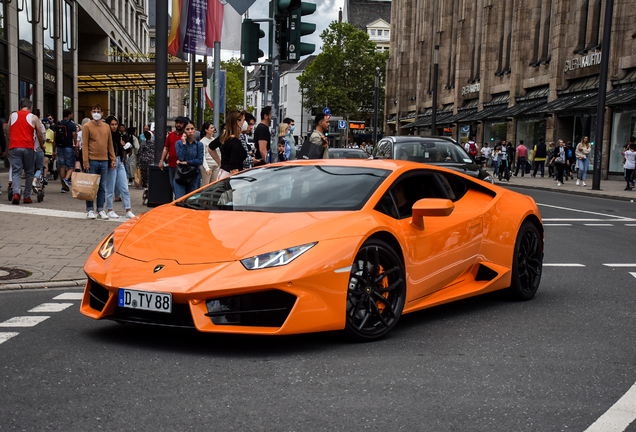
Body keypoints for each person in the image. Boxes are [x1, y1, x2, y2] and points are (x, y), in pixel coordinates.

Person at [7, 98, 45, 204]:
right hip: (28, 147)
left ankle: (16, 193)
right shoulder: (33, 117)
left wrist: (9, 142)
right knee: (29, 172)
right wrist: (41, 145)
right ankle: (27, 196)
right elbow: (39, 133)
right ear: (31, 107)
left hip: (14, 146)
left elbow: (7, 129)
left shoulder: (12, 115)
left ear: (20, 106)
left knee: (16, 171)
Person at [82, 104, 116, 219]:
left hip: (104, 160)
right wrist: (85, 161)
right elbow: (85, 145)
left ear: (102, 113)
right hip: (92, 160)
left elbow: (110, 144)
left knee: (102, 186)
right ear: (91, 113)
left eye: (98, 111)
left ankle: (101, 209)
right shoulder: (87, 126)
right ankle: (90, 209)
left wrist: (113, 159)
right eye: (94, 111)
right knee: (91, 186)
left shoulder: (106, 127)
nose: (96, 113)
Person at [104, 116, 134, 219]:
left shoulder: (119, 136)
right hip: (111, 163)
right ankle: (110, 209)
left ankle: (128, 210)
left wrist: (124, 156)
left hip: (120, 161)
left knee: (124, 187)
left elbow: (122, 149)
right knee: (110, 187)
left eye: (115, 124)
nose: (114, 126)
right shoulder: (107, 136)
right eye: (112, 124)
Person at [174, 120, 204, 199]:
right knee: (179, 199)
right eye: (187, 129)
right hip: (181, 175)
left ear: (195, 129)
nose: (190, 131)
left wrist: (186, 162)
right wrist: (184, 143)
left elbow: (200, 161)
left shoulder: (199, 145)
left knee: (192, 201)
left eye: (192, 128)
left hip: (194, 176)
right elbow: (180, 157)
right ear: (184, 130)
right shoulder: (179, 143)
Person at [159, 116, 186, 196]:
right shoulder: (170, 135)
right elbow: (166, 148)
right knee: (172, 184)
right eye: (177, 123)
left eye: (180, 123)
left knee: (180, 184)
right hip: (171, 164)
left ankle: (179, 200)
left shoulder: (185, 136)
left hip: (182, 165)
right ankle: (178, 199)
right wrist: (161, 161)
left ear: (184, 124)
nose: (178, 124)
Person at [215, 111, 247, 180]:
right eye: (243, 120)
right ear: (238, 122)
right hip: (231, 177)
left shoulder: (224, 137)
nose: (245, 123)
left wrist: (221, 164)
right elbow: (234, 169)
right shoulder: (236, 142)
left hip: (222, 173)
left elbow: (211, 147)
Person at [55, 109, 78, 193]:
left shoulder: (58, 124)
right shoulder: (72, 125)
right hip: (68, 147)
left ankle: (63, 186)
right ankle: (66, 180)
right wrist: (76, 147)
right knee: (71, 166)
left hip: (59, 147)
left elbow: (54, 137)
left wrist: (54, 150)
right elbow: (74, 136)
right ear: (69, 115)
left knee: (62, 166)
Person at [138, 131, 155, 205]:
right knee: (150, 178)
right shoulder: (154, 143)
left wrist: (138, 162)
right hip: (151, 162)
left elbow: (140, 153)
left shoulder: (143, 143)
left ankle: (146, 190)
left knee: (145, 179)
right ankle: (149, 193)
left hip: (143, 162)